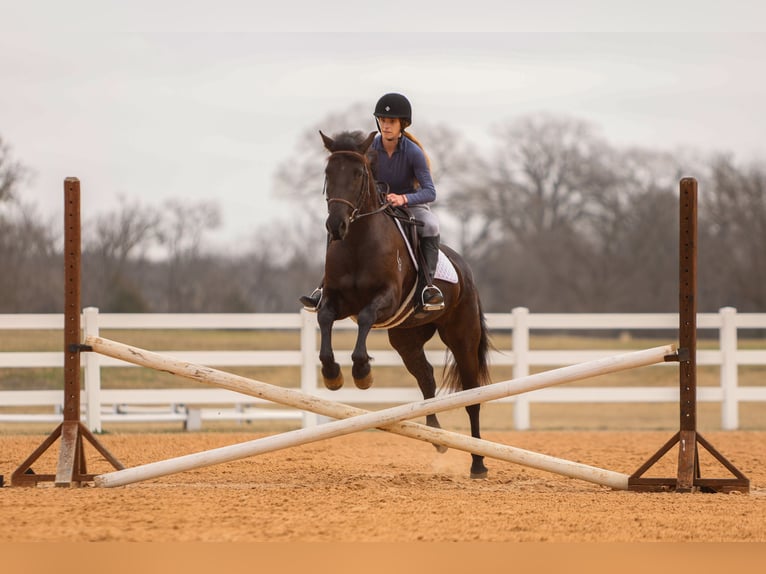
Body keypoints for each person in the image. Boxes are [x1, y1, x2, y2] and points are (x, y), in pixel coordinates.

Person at [300, 92, 445, 312]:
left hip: (411, 205)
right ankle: (324, 287)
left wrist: (403, 198)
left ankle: (427, 288)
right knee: (337, 223)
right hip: (379, 205)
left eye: (391, 122)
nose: (386, 126)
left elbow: (430, 192)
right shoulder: (370, 149)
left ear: (402, 124)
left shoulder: (413, 152)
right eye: (383, 121)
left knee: (432, 225)